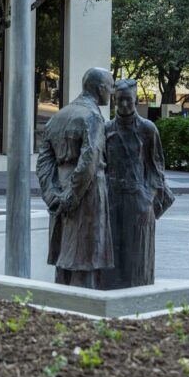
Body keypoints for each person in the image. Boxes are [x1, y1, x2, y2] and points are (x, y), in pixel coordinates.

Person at [36, 67, 115, 288]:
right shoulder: (92, 117)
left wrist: (52, 194)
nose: (111, 93)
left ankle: (62, 303)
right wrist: (70, 197)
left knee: (64, 254)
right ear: (100, 89)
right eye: (110, 88)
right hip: (86, 194)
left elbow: (43, 162)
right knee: (85, 256)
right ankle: (84, 305)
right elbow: (89, 161)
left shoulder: (59, 115)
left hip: (60, 186)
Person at [100, 79, 175, 289]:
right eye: (119, 100)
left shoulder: (147, 129)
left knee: (137, 254)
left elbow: (156, 167)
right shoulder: (106, 128)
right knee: (112, 251)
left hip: (138, 199)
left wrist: (148, 199)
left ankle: (138, 292)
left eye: (128, 100)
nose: (123, 105)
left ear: (136, 100)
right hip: (112, 197)